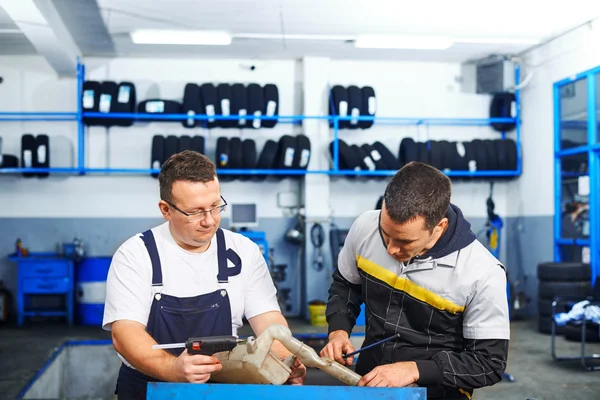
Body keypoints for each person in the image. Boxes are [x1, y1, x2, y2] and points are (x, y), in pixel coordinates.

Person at [102, 150, 306, 399]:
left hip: (221, 387)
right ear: (166, 210)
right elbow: (125, 334)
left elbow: (269, 322)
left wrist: (283, 358)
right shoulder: (136, 254)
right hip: (148, 387)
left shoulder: (242, 251)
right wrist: (172, 368)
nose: (209, 221)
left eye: (215, 206)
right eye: (196, 211)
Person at [320, 162, 509, 399]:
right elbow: (346, 284)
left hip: (437, 393)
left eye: (405, 242)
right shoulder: (365, 226)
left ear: (439, 227)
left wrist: (414, 369)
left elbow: (488, 363)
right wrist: (338, 330)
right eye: (385, 235)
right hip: (367, 383)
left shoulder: (482, 272)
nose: (390, 249)